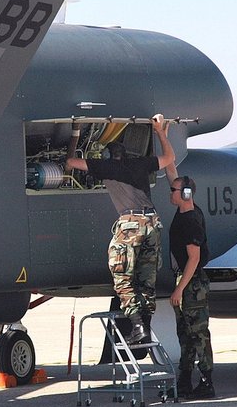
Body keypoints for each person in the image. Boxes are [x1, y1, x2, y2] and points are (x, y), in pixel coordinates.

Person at [66, 115, 175, 343]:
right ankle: (144, 328)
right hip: (153, 224)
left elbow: (70, 163)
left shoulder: (106, 167)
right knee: (147, 281)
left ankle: (137, 327)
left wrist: (75, 134)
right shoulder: (141, 164)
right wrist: (160, 133)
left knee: (123, 278)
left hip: (131, 225)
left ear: (109, 156)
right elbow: (169, 158)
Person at [165, 170, 215, 399]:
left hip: (192, 284)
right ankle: (184, 381)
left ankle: (207, 383)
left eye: (173, 190)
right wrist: (163, 137)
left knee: (198, 335)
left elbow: (194, 258)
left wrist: (179, 288)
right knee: (184, 335)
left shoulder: (191, 221)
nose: (170, 193)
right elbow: (172, 171)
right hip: (186, 281)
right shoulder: (183, 210)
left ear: (185, 194)